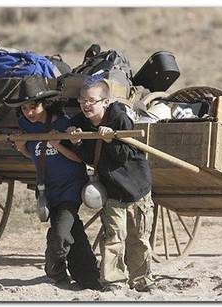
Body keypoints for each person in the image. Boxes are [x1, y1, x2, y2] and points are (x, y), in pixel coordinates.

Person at [4, 77, 101, 290]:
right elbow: (37, 155)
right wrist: (21, 147)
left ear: (45, 104)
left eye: (34, 106)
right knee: (73, 231)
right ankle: (89, 276)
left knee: (59, 236)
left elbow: (81, 159)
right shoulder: (24, 126)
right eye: (25, 108)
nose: (29, 112)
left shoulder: (64, 124)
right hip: (46, 189)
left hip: (71, 187)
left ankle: (55, 273)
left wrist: (59, 144)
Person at [66, 75, 155, 292]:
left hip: (136, 188)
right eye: (82, 100)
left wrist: (109, 141)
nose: (86, 105)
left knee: (139, 239)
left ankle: (141, 281)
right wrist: (77, 142)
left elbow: (125, 155)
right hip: (112, 191)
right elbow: (89, 157)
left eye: (91, 100)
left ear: (105, 102)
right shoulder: (79, 122)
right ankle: (114, 282)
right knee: (114, 238)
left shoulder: (119, 119)